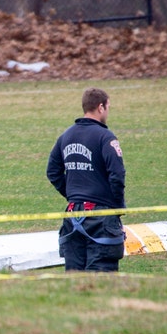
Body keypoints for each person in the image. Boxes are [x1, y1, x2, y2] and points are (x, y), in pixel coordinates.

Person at [46, 87, 126, 271]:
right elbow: (117, 174)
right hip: (101, 218)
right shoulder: (106, 137)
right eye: (108, 107)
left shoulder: (66, 136)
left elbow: (52, 171)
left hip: (73, 215)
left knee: (75, 276)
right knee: (101, 275)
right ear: (100, 107)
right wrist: (116, 204)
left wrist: (73, 194)